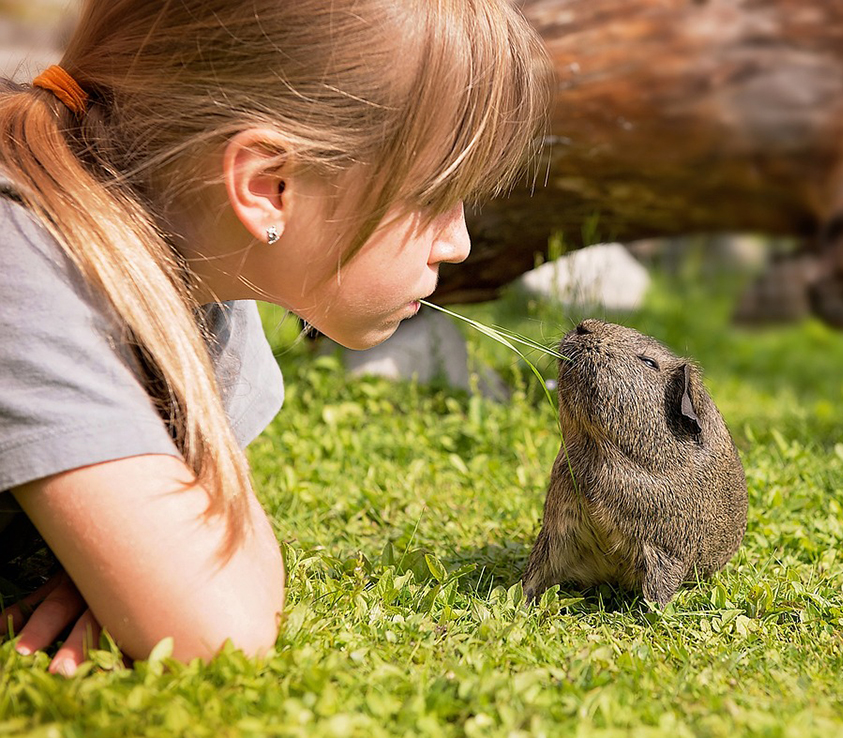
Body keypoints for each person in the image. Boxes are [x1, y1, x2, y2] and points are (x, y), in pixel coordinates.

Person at [0, 0, 552, 676]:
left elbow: (197, 552)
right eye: (435, 194)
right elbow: (217, 630)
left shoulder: (209, 280)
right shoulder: (22, 263)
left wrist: (133, 555)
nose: (459, 242)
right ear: (267, 186)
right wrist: (167, 571)